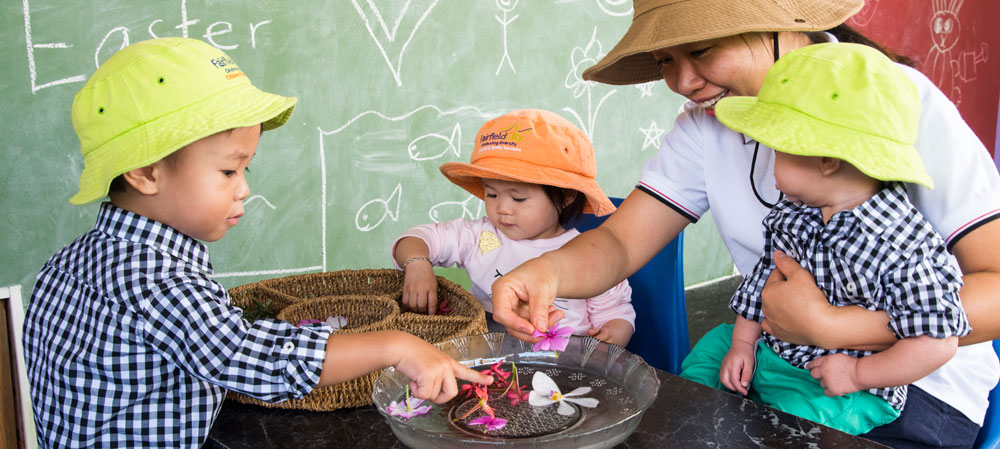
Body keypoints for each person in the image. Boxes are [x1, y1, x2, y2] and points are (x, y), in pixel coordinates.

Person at [489, 1, 1000, 447]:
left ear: (783, 23)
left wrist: (833, 327)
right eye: (668, 60)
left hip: (912, 388)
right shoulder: (703, 125)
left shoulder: (891, 100)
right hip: (775, 359)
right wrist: (546, 273)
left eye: (704, 50)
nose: (683, 82)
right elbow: (622, 242)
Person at [21, 37, 492, 449]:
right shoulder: (154, 277)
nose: (243, 187)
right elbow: (252, 360)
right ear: (145, 172)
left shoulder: (71, 262)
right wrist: (398, 345)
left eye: (246, 170)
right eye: (228, 170)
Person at [679, 42, 970, 435]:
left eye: (778, 152)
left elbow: (938, 340)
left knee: (791, 426)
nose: (771, 165)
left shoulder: (899, 244)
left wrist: (857, 372)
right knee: (708, 352)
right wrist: (743, 344)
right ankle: (686, 421)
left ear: (826, 160)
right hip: (773, 347)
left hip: (832, 383)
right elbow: (763, 279)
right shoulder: (796, 209)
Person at [391, 108, 635, 346]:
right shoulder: (482, 237)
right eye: (492, 194)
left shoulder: (586, 254)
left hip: (560, 362)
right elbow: (418, 238)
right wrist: (417, 264)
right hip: (487, 353)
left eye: (518, 198)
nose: (503, 209)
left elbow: (616, 312)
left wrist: (613, 333)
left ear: (567, 196)